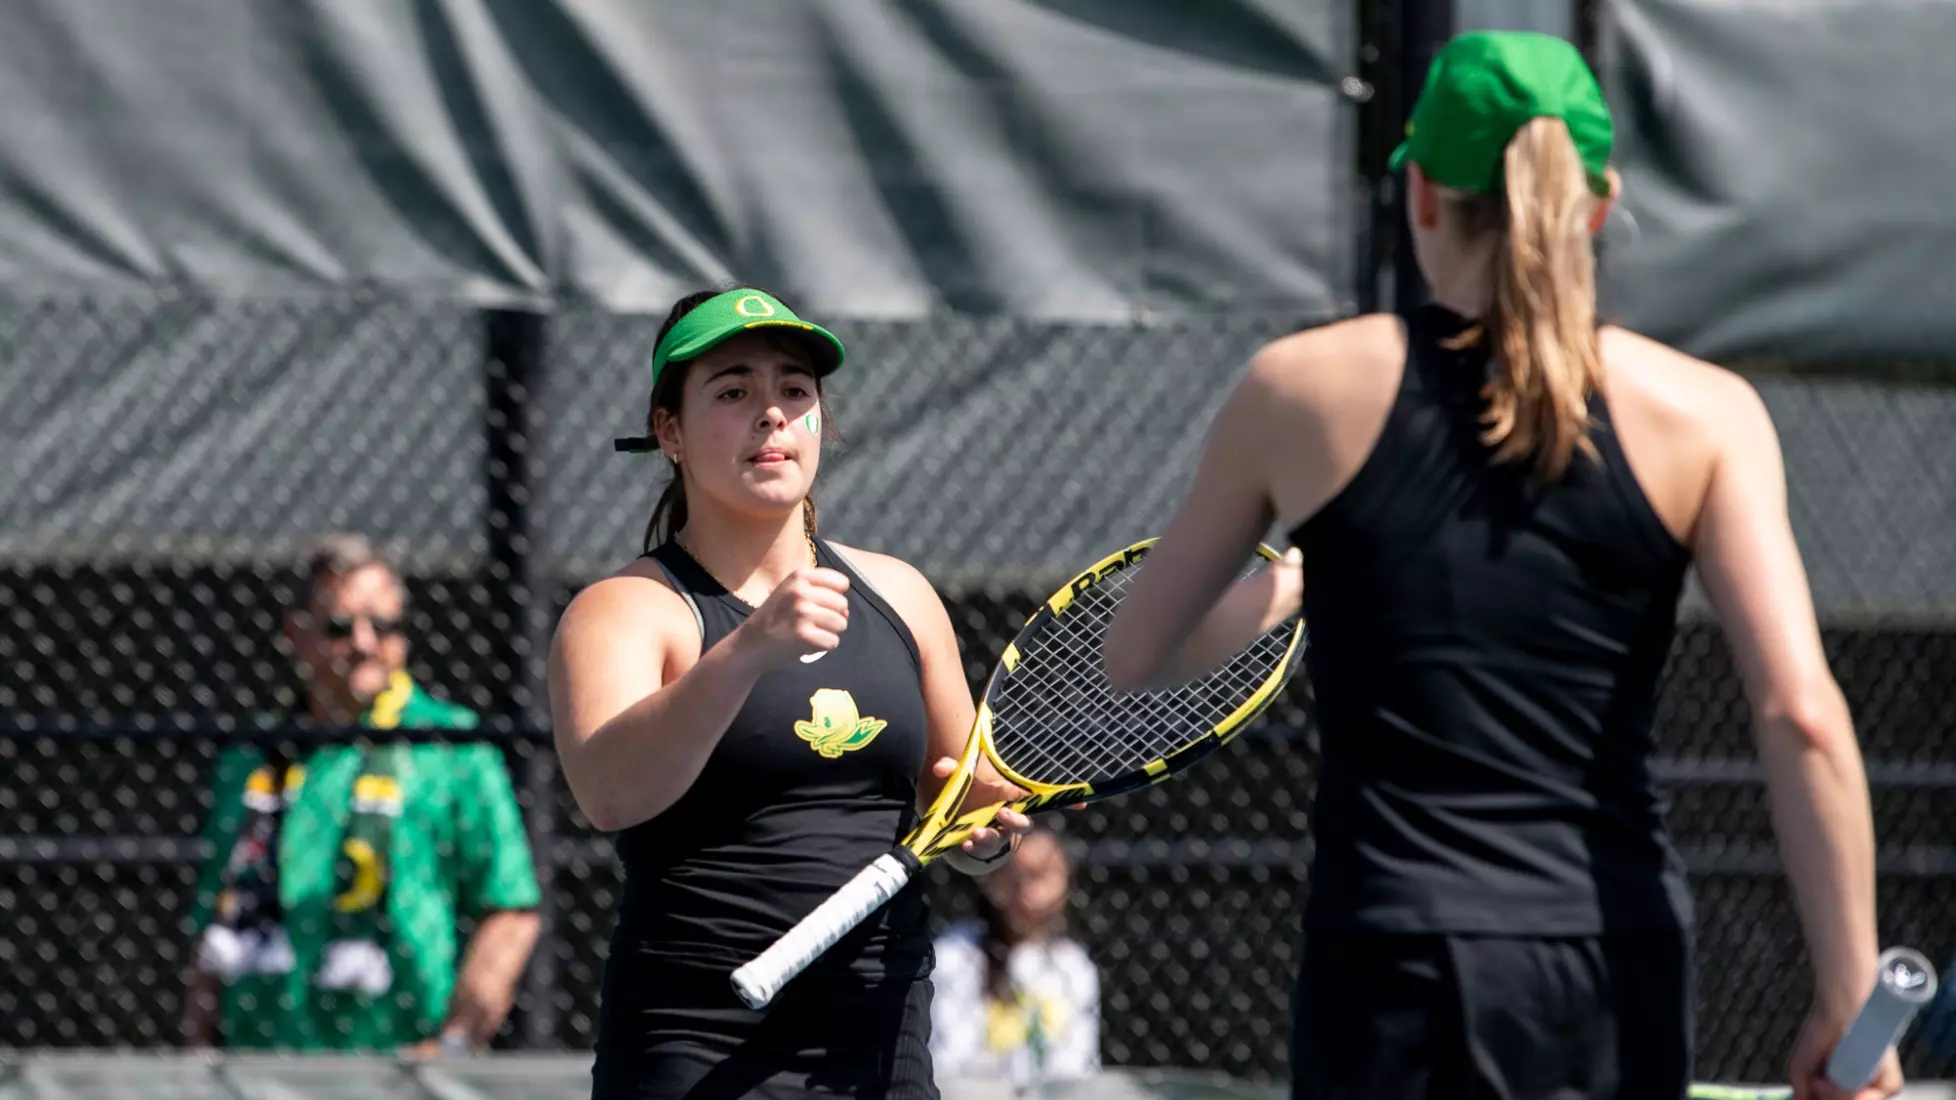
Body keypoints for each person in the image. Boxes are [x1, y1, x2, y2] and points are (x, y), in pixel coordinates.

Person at [1102, 30, 1897, 1100]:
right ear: (1599, 205)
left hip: (1386, 960)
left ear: (1421, 195)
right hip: (1608, 960)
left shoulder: (1300, 388)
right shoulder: (1709, 415)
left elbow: (1138, 652)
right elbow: (1800, 711)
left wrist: (1300, 578)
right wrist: (1852, 995)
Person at [547, 285, 1035, 1099]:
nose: (770, 414)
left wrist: (993, 838)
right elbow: (611, 792)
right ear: (669, 430)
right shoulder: (626, 610)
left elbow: (966, 799)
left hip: (883, 1050)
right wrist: (746, 652)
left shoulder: (903, 594)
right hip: (693, 1053)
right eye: (733, 392)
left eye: (794, 390)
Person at [185, 534, 542, 1054]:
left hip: (399, 1068)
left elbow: (510, 908)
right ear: (297, 633)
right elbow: (216, 913)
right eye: (339, 626)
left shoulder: (452, 747)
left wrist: (453, 1047)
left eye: (384, 625)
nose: (364, 643)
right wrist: (199, 1050)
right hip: (258, 1062)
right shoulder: (252, 760)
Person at [930, 827, 1100, 1087]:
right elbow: (949, 1066)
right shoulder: (953, 955)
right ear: (991, 880)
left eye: (1042, 875)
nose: (1028, 894)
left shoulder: (1074, 965)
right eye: (1015, 877)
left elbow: (1077, 1070)